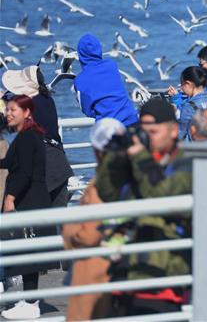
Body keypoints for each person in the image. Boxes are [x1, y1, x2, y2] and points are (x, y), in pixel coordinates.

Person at [94, 99, 192, 316]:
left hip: (162, 280)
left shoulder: (185, 163)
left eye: (154, 131)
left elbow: (160, 196)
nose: (147, 137)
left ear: (174, 130)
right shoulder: (136, 158)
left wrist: (139, 156)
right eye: (143, 130)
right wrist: (116, 157)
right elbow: (107, 193)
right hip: (124, 275)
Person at [62, 118, 125, 321]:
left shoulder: (101, 184)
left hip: (95, 268)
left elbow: (90, 234)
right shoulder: (131, 176)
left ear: (97, 149)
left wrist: (70, 233)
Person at [0, 96, 52, 320]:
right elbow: (11, 163)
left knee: (29, 252)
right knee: (28, 252)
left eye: (13, 110)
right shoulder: (25, 137)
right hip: (31, 198)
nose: (8, 114)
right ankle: (30, 301)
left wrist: (10, 198)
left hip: (30, 200)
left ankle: (31, 304)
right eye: (7, 110)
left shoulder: (28, 138)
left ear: (27, 113)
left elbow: (24, 173)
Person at [2, 66, 71, 208]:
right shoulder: (46, 98)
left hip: (45, 169)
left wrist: (10, 199)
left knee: (37, 219)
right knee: (58, 220)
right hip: (59, 165)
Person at [74, 33, 138, 126]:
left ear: (80, 54)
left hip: (109, 127)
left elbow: (87, 110)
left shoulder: (80, 80)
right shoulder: (111, 64)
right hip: (131, 120)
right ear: (99, 49)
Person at [168, 66, 207, 140]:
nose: (181, 88)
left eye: (182, 84)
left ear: (187, 84)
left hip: (194, 147)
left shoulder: (189, 106)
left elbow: (180, 133)